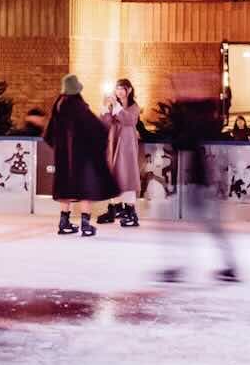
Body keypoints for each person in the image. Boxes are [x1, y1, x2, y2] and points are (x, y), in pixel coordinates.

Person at [158, 75, 239, 284]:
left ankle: (226, 266)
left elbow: (183, 140)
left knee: (200, 225)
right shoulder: (198, 116)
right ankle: (227, 265)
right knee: (188, 225)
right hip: (197, 181)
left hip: (198, 181)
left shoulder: (196, 118)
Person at [46, 75, 117, 236]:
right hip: (81, 157)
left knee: (65, 188)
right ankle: (86, 224)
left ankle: (64, 223)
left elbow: (49, 134)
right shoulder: (78, 106)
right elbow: (96, 129)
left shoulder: (58, 105)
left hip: (63, 157)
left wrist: (60, 149)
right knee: (85, 188)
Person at [99, 78, 143, 227]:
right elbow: (105, 123)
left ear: (129, 90)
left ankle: (131, 212)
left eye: (121, 89)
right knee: (114, 175)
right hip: (114, 142)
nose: (118, 92)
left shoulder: (134, 106)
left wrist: (117, 107)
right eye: (117, 89)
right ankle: (114, 208)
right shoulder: (113, 105)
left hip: (126, 145)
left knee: (126, 174)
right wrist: (105, 108)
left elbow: (129, 121)